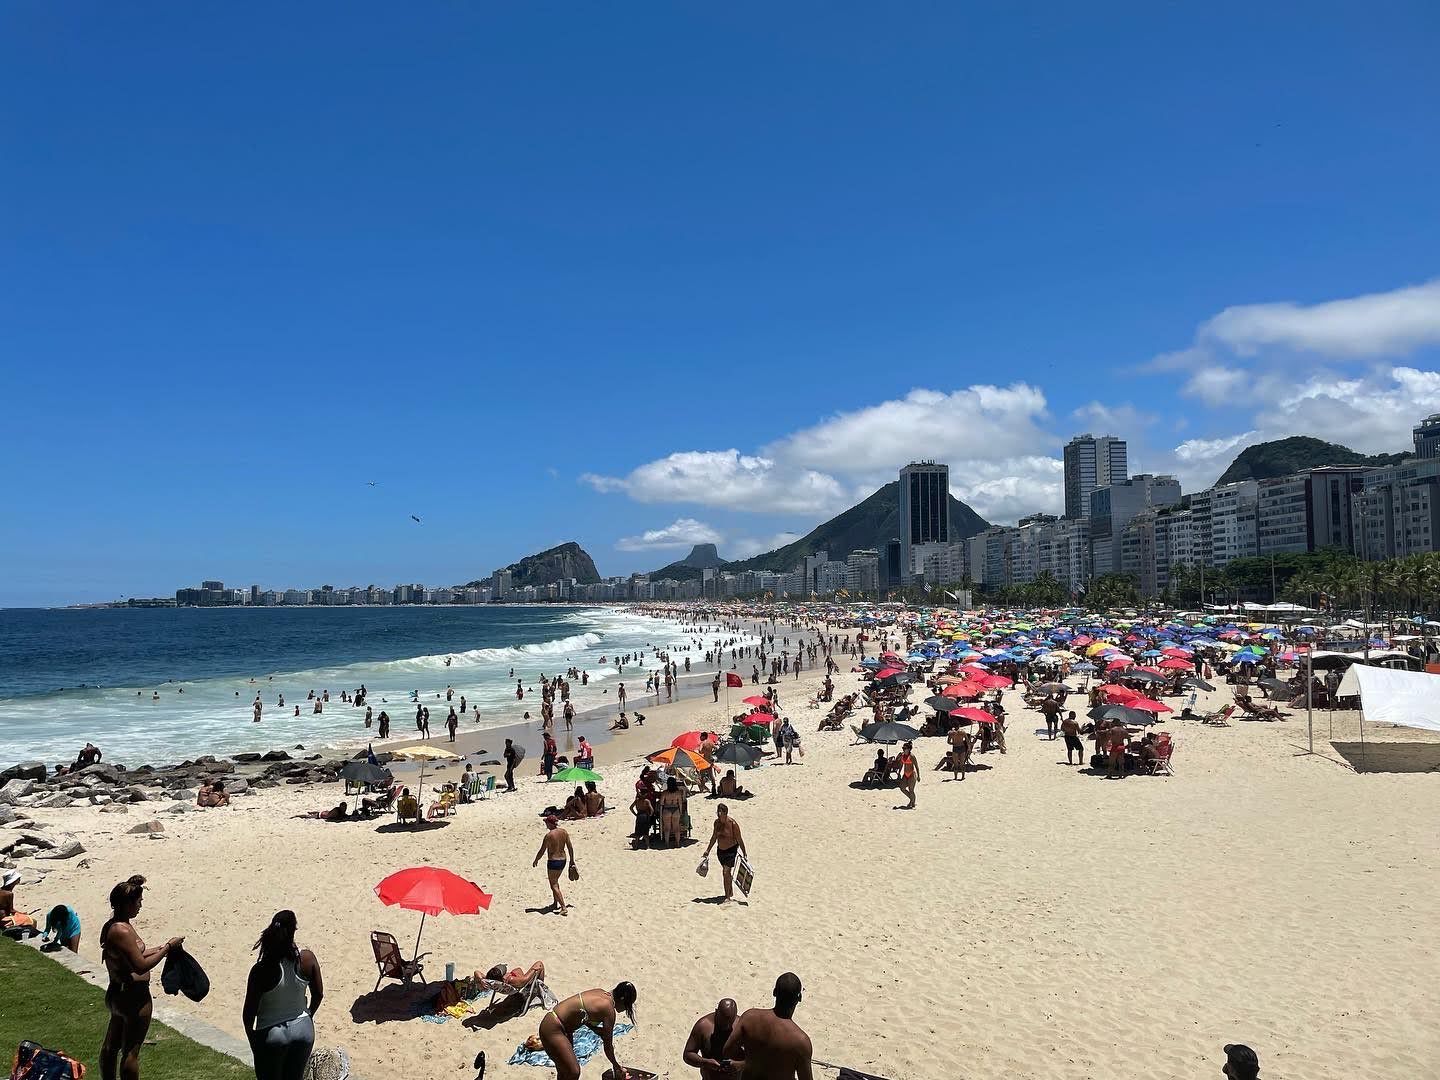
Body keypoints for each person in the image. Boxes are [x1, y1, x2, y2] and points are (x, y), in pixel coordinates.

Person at [99, 875, 184, 1080]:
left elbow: (132, 956)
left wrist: (161, 948)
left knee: (111, 1045)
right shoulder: (122, 930)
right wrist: (167, 948)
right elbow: (140, 965)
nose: (140, 906)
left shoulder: (116, 925)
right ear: (127, 904)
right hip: (133, 997)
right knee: (130, 1052)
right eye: (138, 902)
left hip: (118, 994)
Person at [243, 910, 323, 1080]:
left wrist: (253, 1040)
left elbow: (248, 1014)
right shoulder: (307, 958)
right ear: (294, 930)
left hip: (272, 1033)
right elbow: (319, 994)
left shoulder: (261, 969)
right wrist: (308, 1014)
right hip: (303, 1028)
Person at [537, 983, 637, 1080]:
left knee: (565, 1072)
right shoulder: (608, 1010)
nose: (625, 1009)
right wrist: (617, 1066)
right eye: (627, 1005)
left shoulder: (600, 992)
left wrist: (596, 1030)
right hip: (555, 1029)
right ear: (622, 999)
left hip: (553, 1023)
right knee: (574, 1072)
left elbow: (583, 1014)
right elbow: (608, 1046)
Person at [723, 972, 812, 1080]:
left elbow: (727, 1050)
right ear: (800, 998)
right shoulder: (801, 1042)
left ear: (774, 992)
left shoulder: (750, 1017)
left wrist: (748, 1062)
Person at [684, 998, 739, 1080]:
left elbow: (753, 1057)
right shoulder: (703, 1027)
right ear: (716, 1012)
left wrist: (739, 1065)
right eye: (723, 1022)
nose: (727, 1026)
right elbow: (688, 1054)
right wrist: (705, 1062)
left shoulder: (741, 1026)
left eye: (730, 1022)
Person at [702, 804, 747, 903]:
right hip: (720, 851)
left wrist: (744, 853)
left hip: (731, 850)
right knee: (727, 873)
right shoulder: (717, 823)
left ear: (725, 813)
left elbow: (739, 839)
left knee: (725, 872)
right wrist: (707, 850)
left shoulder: (732, 824)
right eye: (718, 811)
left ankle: (727, 897)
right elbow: (714, 837)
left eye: (720, 812)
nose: (718, 814)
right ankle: (729, 892)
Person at [533, 815, 575, 916]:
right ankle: (555, 903)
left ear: (550, 823)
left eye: (546, 822)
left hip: (553, 862)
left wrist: (536, 860)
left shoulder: (549, 836)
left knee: (553, 885)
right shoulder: (564, 832)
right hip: (563, 860)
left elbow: (542, 850)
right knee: (555, 882)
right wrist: (572, 860)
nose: (545, 824)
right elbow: (570, 847)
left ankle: (563, 907)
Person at [659, 776, 685, 848]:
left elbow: (661, 803)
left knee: (667, 828)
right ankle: (677, 843)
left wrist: (660, 812)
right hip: (676, 810)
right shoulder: (678, 793)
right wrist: (680, 812)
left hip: (667, 810)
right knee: (676, 828)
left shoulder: (665, 793)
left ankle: (667, 843)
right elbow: (680, 803)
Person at [895, 742, 918, 810]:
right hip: (905, 774)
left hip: (912, 774)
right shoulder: (902, 756)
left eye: (904, 748)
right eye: (903, 748)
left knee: (911, 790)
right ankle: (912, 800)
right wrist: (899, 773)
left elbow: (916, 766)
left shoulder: (912, 756)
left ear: (908, 749)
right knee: (902, 788)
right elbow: (901, 764)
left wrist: (919, 776)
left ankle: (912, 802)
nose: (903, 749)